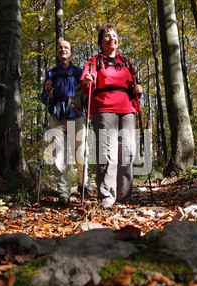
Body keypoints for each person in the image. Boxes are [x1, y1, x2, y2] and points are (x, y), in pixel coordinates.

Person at [80, 24, 143, 209]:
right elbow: (85, 85)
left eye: (114, 35)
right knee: (108, 153)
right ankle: (107, 195)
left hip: (127, 109)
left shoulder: (126, 63)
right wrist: (87, 81)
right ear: (101, 42)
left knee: (128, 152)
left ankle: (125, 194)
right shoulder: (94, 61)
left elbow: (134, 86)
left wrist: (138, 89)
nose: (111, 38)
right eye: (107, 36)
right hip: (103, 108)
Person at [41, 40, 91, 206]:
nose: (63, 50)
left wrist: (88, 87)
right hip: (57, 116)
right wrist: (49, 92)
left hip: (76, 115)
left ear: (70, 52)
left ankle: (83, 185)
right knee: (58, 155)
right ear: (57, 52)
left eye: (66, 48)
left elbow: (86, 92)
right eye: (60, 48)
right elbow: (43, 99)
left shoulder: (78, 71)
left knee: (81, 152)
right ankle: (63, 192)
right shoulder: (51, 73)